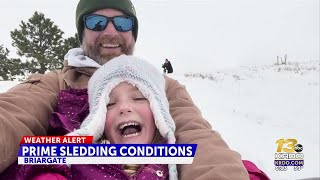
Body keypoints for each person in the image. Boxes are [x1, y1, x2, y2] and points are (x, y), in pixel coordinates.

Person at [0, 0, 250, 179]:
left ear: (133, 33)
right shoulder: (55, 83)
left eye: (121, 22)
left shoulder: (162, 85)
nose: (110, 31)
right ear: (81, 32)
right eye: (97, 22)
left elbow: (196, 137)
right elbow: (13, 114)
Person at [0, 56, 177, 180]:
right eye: (109, 104)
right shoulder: (83, 160)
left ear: (159, 113)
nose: (124, 107)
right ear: (98, 121)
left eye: (139, 98)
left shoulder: (175, 163)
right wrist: (46, 174)